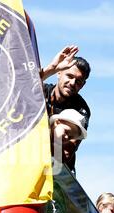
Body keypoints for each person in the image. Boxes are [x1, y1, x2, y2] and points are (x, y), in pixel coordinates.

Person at [41, 45, 91, 173]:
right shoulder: (41, 91)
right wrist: (51, 68)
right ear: (59, 73)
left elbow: (65, 153)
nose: (73, 83)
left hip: (59, 173)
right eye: (69, 76)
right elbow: (20, 86)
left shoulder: (80, 109)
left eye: (79, 81)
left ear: (83, 85)